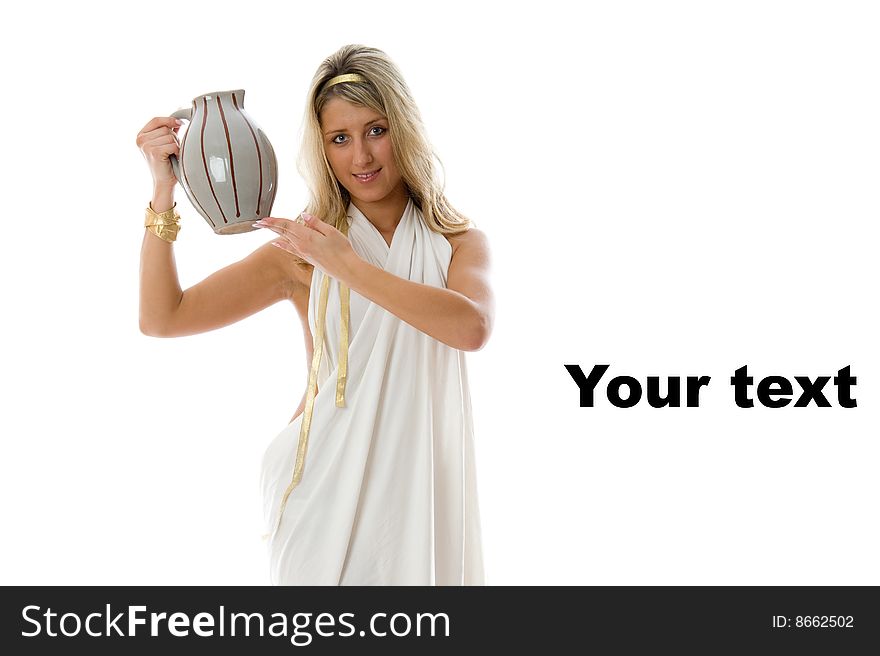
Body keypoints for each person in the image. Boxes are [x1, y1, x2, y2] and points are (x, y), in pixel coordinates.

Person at [135, 44, 493, 585]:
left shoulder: (457, 243)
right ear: (323, 150)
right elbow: (164, 317)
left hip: (423, 497)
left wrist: (346, 266)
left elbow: (470, 328)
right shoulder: (303, 250)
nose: (362, 157)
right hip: (321, 497)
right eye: (340, 139)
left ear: (403, 129)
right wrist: (163, 194)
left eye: (376, 130)